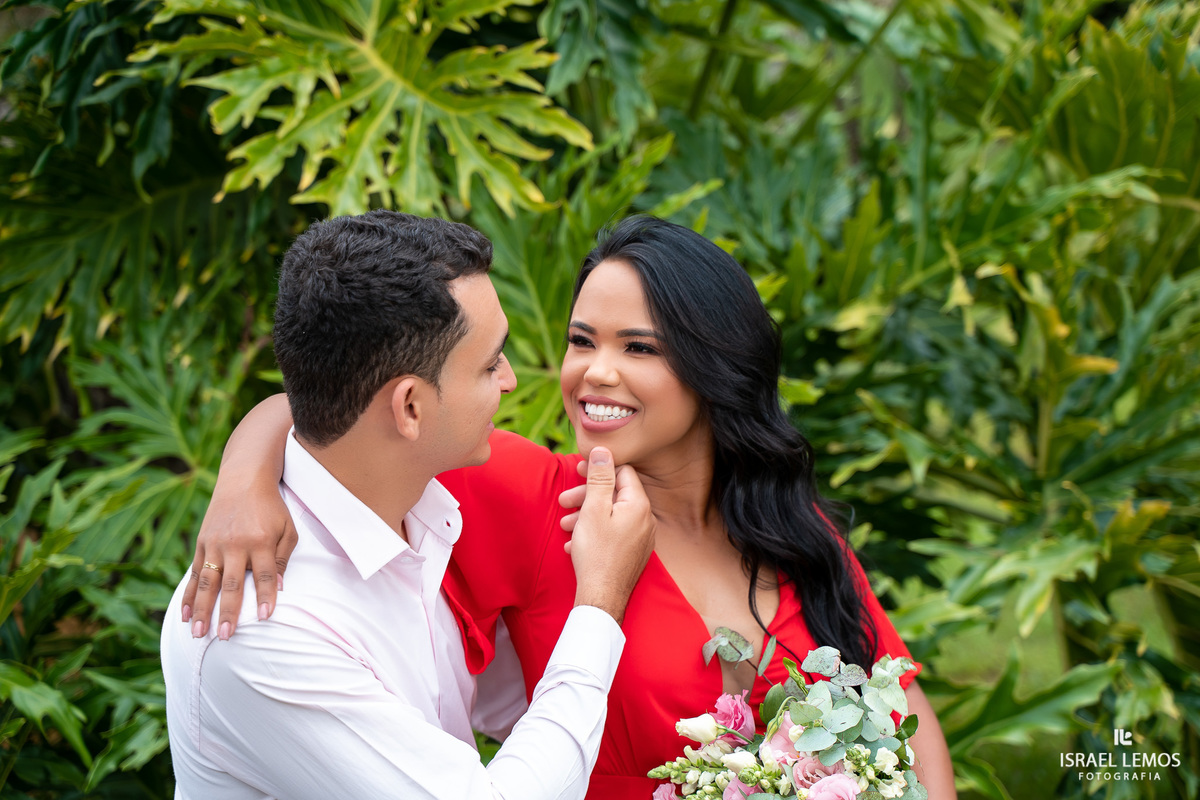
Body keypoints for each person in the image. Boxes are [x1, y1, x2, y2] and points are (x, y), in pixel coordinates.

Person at [185, 216, 957, 798]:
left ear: (716, 366)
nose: (594, 373)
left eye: (639, 348)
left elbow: (904, 711)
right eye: (581, 340)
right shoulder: (525, 493)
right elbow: (348, 404)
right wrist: (245, 477)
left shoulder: (793, 528)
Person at [160, 210, 657, 799]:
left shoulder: (414, 504)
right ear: (410, 409)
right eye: (489, 363)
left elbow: (504, 702)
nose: (511, 380)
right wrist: (600, 601)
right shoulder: (262, 628)